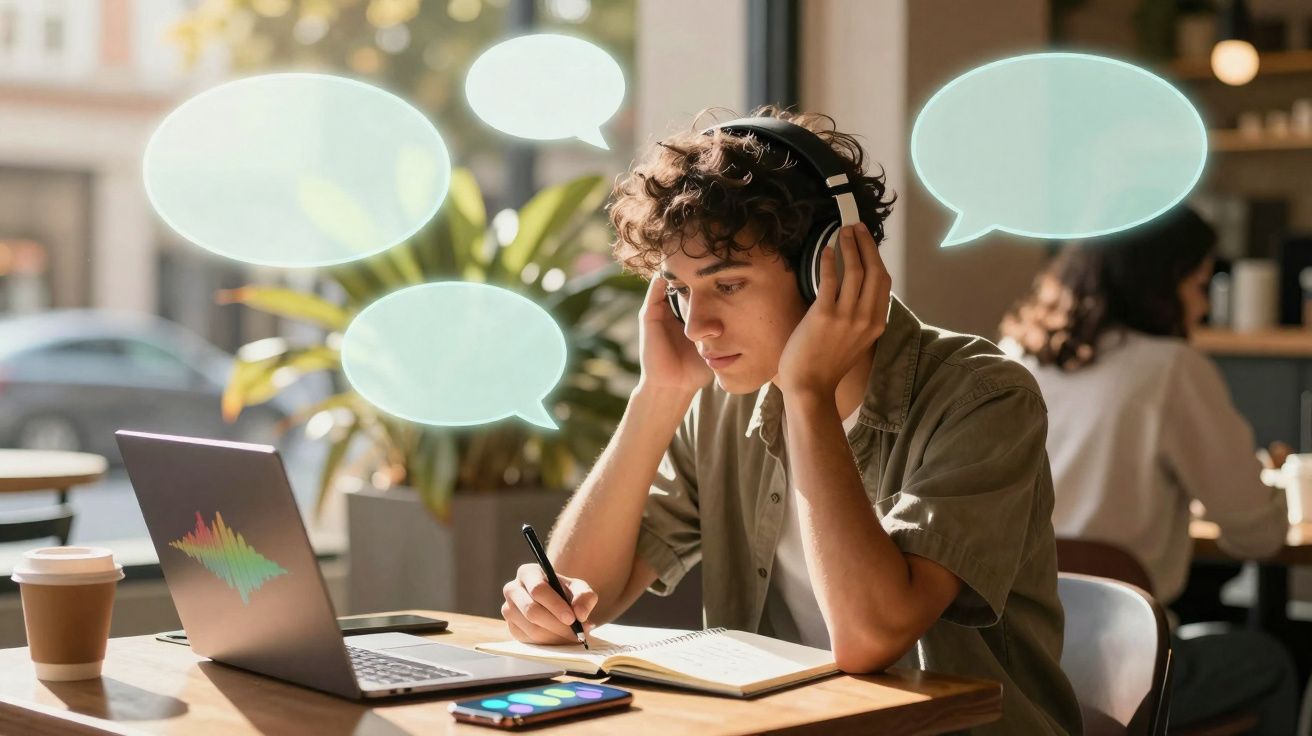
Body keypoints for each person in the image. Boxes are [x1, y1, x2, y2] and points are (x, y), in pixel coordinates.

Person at [499, 106, 1082, 735]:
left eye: (727, 285)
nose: (696, 327)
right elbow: (583, 594)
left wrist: (808, 395)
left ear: (826, 267)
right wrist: (658, 393)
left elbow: (868, 638)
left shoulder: (982, 398)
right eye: (679, 290)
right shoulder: (727, 397)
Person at [1000, 204, 1297, 733]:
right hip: (1120, 670)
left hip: (1014, 661)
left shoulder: (1014, 358)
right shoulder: (1170, 370)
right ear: (1161, 281)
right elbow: (1256, 533)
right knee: (1269, 661)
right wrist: (1273, 486)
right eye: (1200, 282)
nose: (1204, 305)